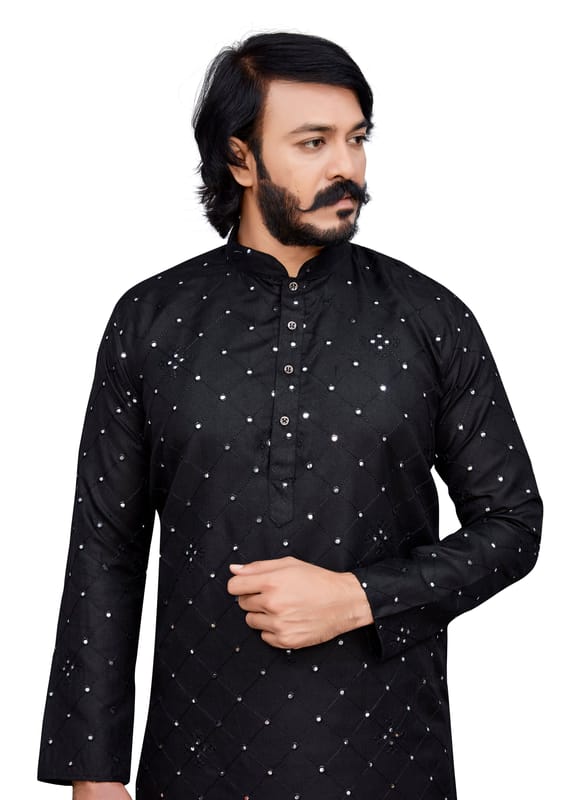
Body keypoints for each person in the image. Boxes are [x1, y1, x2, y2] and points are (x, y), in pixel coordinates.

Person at [37, 31, 543, 800]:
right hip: (194, 763)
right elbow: (105, 548)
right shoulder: (151, 321)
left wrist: (360, 597)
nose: (348, 167)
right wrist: (93, 772)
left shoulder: (430, 319)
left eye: (356, 139)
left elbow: (513, 522)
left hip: (388, 762)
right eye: (313, 142)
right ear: (240, 159)